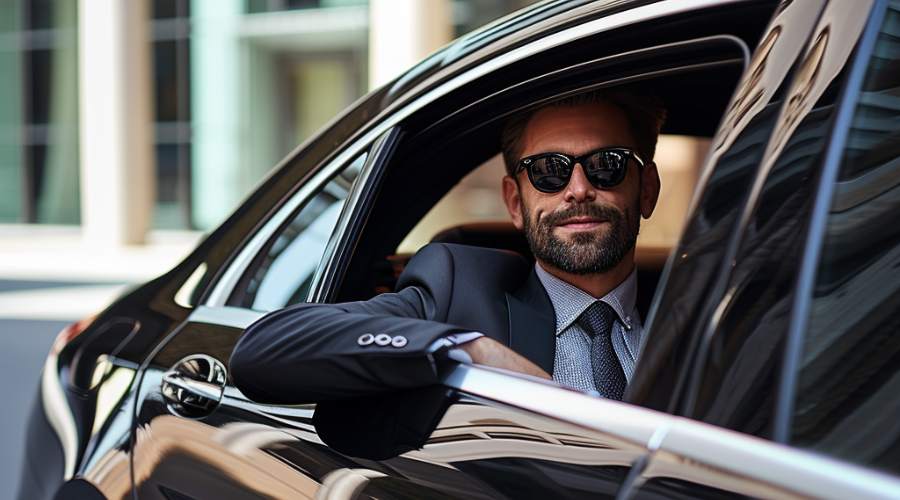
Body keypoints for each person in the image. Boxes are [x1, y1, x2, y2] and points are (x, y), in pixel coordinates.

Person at [230, 89, 664, 407]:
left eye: (607, 165)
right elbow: (266, 349)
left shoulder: (708, 307)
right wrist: (474, 351)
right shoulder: (461, 293)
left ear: (646, 190)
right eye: (550, 171)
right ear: (515, 202)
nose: (578, 190)